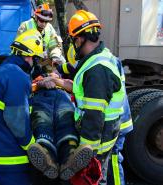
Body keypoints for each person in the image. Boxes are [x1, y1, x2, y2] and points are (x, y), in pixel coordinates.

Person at [16, 3, 93, 181]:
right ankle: (46, 153)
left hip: (58, 88)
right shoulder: (25, 27)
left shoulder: (49, 29)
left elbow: (55, 47)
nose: (43, 23)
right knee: (43, 118)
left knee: (65, 116)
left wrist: (56, 63)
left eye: (46, 20)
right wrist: (42, 81)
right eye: (41, 20)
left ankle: (70, 155)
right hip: (39, 83)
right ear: (35, 16)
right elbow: (22, 52)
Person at [51, 10, 126, 184]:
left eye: (73, 39)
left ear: (80, 39)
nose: (73, 44)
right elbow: (79, 78)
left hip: (97, 140)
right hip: (105, 133)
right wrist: (58, 77)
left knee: (94, 178)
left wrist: (86, 154)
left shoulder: (97, 70)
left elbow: (94, 117)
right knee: (99, 176)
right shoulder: (99, 57)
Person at [0, 29, 44, 185]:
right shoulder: (17, 76)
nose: (36, 64)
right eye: (36, 59)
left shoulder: (4, 71)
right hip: (9, 159)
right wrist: (33, 147)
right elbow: (17, 121)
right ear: (29, 56)